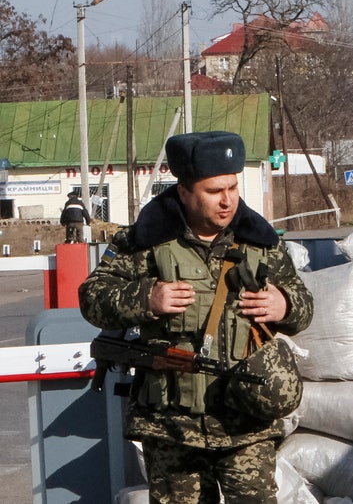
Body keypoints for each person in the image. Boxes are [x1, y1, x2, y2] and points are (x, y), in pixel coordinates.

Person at [78, 131, 314, 503]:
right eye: (213, 191)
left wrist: (284, 303)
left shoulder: (260, 242)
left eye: (233, 188)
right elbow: (91, 298)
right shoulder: (143, 243)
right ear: (185, 192)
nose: (227, 201)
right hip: (173, 426)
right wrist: (146, 298)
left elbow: (303, 304)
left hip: (246, 424)